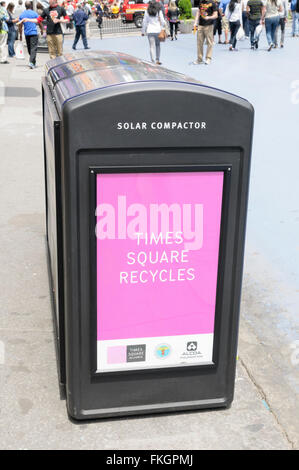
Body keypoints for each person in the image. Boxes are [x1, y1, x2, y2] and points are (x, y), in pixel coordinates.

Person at [193, 0, 218, 65]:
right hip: (200, 25)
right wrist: (195, 22)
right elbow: (198, 12)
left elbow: (216, 15)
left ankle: (208, 58)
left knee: (210, 42)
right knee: (199, 43)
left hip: (209, 25)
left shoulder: (212, 3)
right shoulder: (201, 2)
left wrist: (209, 17)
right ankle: (199, 59)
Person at [19, 1, 42, 68]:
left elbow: (20, 26)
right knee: (33, 49)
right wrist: (41, 29)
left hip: (27, 33)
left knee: (30, 49)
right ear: (31, 6)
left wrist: (20, 34)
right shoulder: (34, 13)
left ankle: (32, 62)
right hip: (34, 33)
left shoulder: (22, 14)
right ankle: (32, 62)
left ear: (25, 6)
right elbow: (39, 22)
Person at [141, 0, 165, 65]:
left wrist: (143, 31)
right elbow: (163, 21)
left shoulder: (147, 12)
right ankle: (157, 59)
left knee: (151, 46)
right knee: (158, 45)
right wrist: (163, 27)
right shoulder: (158, 11)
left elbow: (144, 22)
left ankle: (152, 60)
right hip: (157, 30)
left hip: (150, 30)